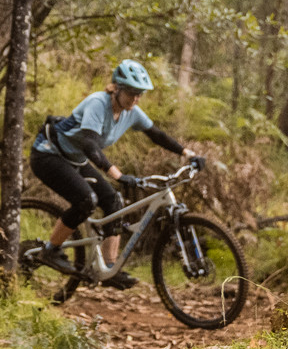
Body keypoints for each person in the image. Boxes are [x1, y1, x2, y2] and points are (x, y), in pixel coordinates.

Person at [28, 59, 196, 284]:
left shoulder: (131, 111)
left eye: (139, 94)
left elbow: (157, 135)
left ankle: (109, 269)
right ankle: (50, 250)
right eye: (131, 93)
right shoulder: (98, 103)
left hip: (74, 159)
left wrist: (188, 153)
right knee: (86, 200)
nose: (135, 99)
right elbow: (89, 144)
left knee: (112, 201)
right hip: (49, 155)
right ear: (116, 88)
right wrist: (116, 173)